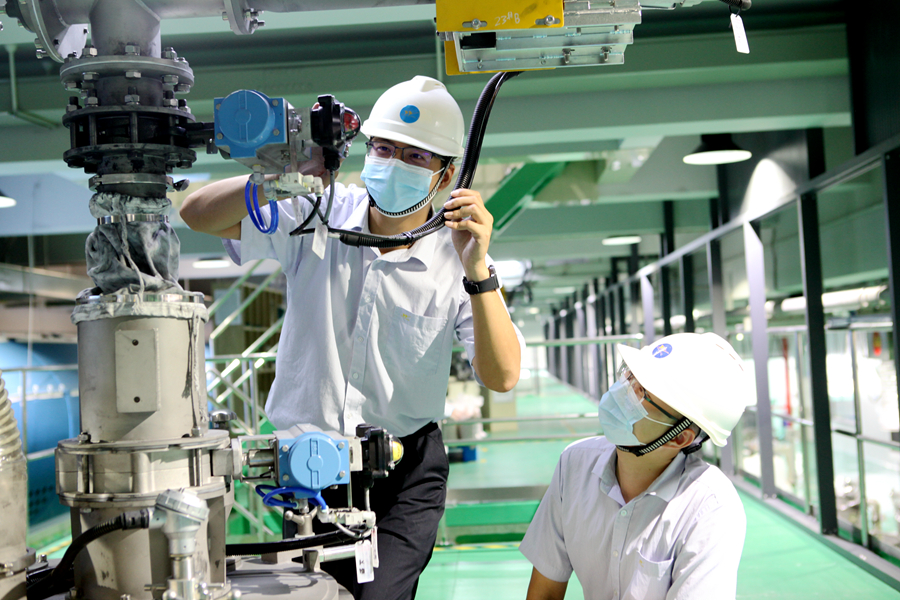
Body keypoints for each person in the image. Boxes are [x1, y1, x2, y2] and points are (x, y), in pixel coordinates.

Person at [180, 75, 524, 600]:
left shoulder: (459, 258)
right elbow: (196, 214)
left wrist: (477, 266)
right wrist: (278, 180)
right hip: (307, 471)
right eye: (384, 148)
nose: (393, 163)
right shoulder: (316, 211)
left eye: (415, 156)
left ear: (446, 174)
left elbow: (502, 376)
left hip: (403, 472)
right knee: (313, 593)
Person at [519, 332, 754, 600]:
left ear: (678, 436)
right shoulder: (575, 464)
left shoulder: (709, 507)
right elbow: (545, 593)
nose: (624, 392)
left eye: (643, 392)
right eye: (629, 376)